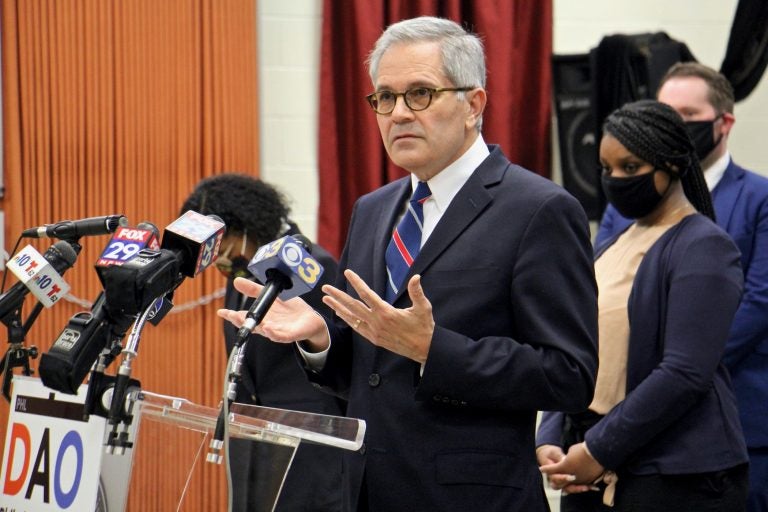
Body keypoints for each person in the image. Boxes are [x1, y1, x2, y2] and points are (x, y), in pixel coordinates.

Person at [219, 16, 598, 512]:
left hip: (471, 497)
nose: (398, 113)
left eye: (420, 94)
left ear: (473, 105)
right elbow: (370, 372)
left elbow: (568, 374)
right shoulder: (373, 210)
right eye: (385, 98)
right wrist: (320, 338)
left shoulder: (538, 209)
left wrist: (433, 349)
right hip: (368, 492)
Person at [538, 100, 749, 511]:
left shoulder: (704, 246)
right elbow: (573, 345)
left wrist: (598, 449)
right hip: (591, 467)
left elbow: (684, 373)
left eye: (630, 168)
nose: (615, 179)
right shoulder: (615, 242)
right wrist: (552, 435)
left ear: (670, 165)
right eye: (606, 168)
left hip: (676, 477)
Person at [595, 62, 768, 512]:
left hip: (731, 418)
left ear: (723, 122)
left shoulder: (759, 199)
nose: (671, 124)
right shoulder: (628, 204)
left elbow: (758, 302)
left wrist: (679, 360)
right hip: (626, 422)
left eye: (685, 115)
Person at [181, 173, 345, 512]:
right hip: (254, 445)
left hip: (308, 446)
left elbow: (340, 358)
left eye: (224, 246)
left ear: (249, 225)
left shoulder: (313, 265)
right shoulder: (243, 273)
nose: (220, 261)